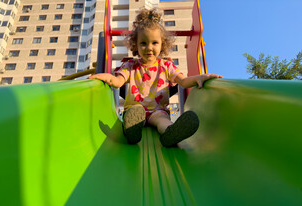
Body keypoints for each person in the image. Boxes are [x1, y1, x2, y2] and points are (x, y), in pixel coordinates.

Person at [89, 8, 222, 147]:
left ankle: (170, 134)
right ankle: (132, 130)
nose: (149, 48)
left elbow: (183, 81)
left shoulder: (166, 66)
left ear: (162, 44)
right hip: (135, 108)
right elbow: (117, 82)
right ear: (136, 45)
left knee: (162, 121)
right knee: (135, 113)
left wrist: (198, 78)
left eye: (154, 43)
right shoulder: (130, 65)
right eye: (143, 43)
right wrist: (107, 77)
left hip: (158, 110)